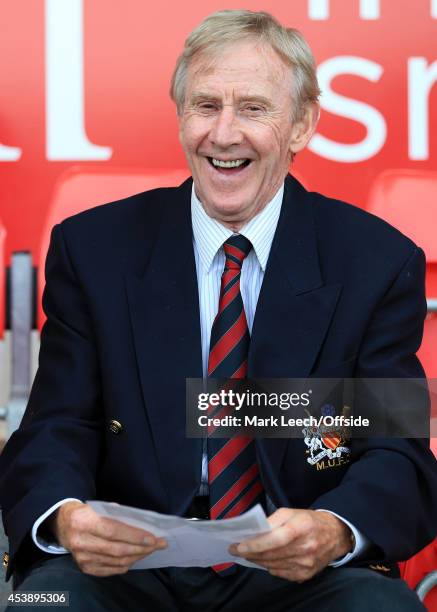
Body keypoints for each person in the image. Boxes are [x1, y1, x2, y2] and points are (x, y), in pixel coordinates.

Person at [1, 9, 436, 611]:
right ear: (181, 116)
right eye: (205, 106)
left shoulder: (375, 264)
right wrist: (67, 518)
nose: (223, 134)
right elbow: (56, 426)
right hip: (128, 568)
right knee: (38, 606)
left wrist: (334, 528)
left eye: (253, 108)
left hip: (297, 573)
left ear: (302, 124)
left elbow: (395, 451)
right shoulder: (95, 251)